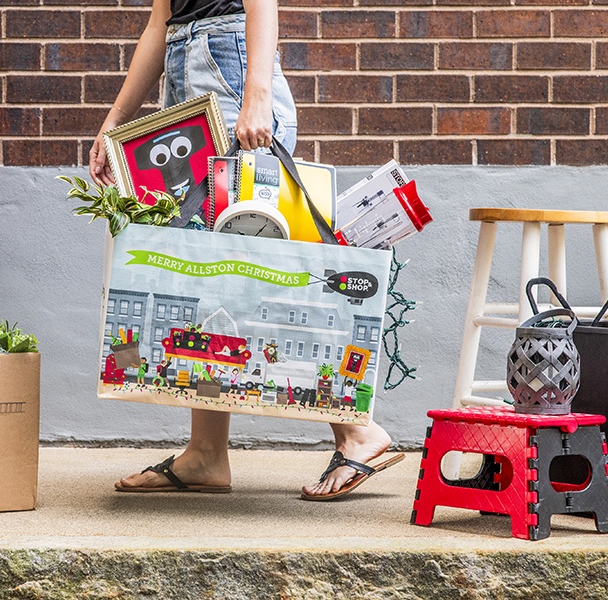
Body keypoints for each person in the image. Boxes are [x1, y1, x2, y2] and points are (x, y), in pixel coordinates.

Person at [92, 0, 400, 500]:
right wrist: (116, 120)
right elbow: (160, 19)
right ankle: (207, 453)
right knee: (209, 275)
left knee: (271, 268)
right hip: (188, 72)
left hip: (230, 68)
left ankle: (358, 433)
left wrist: (255, 92)